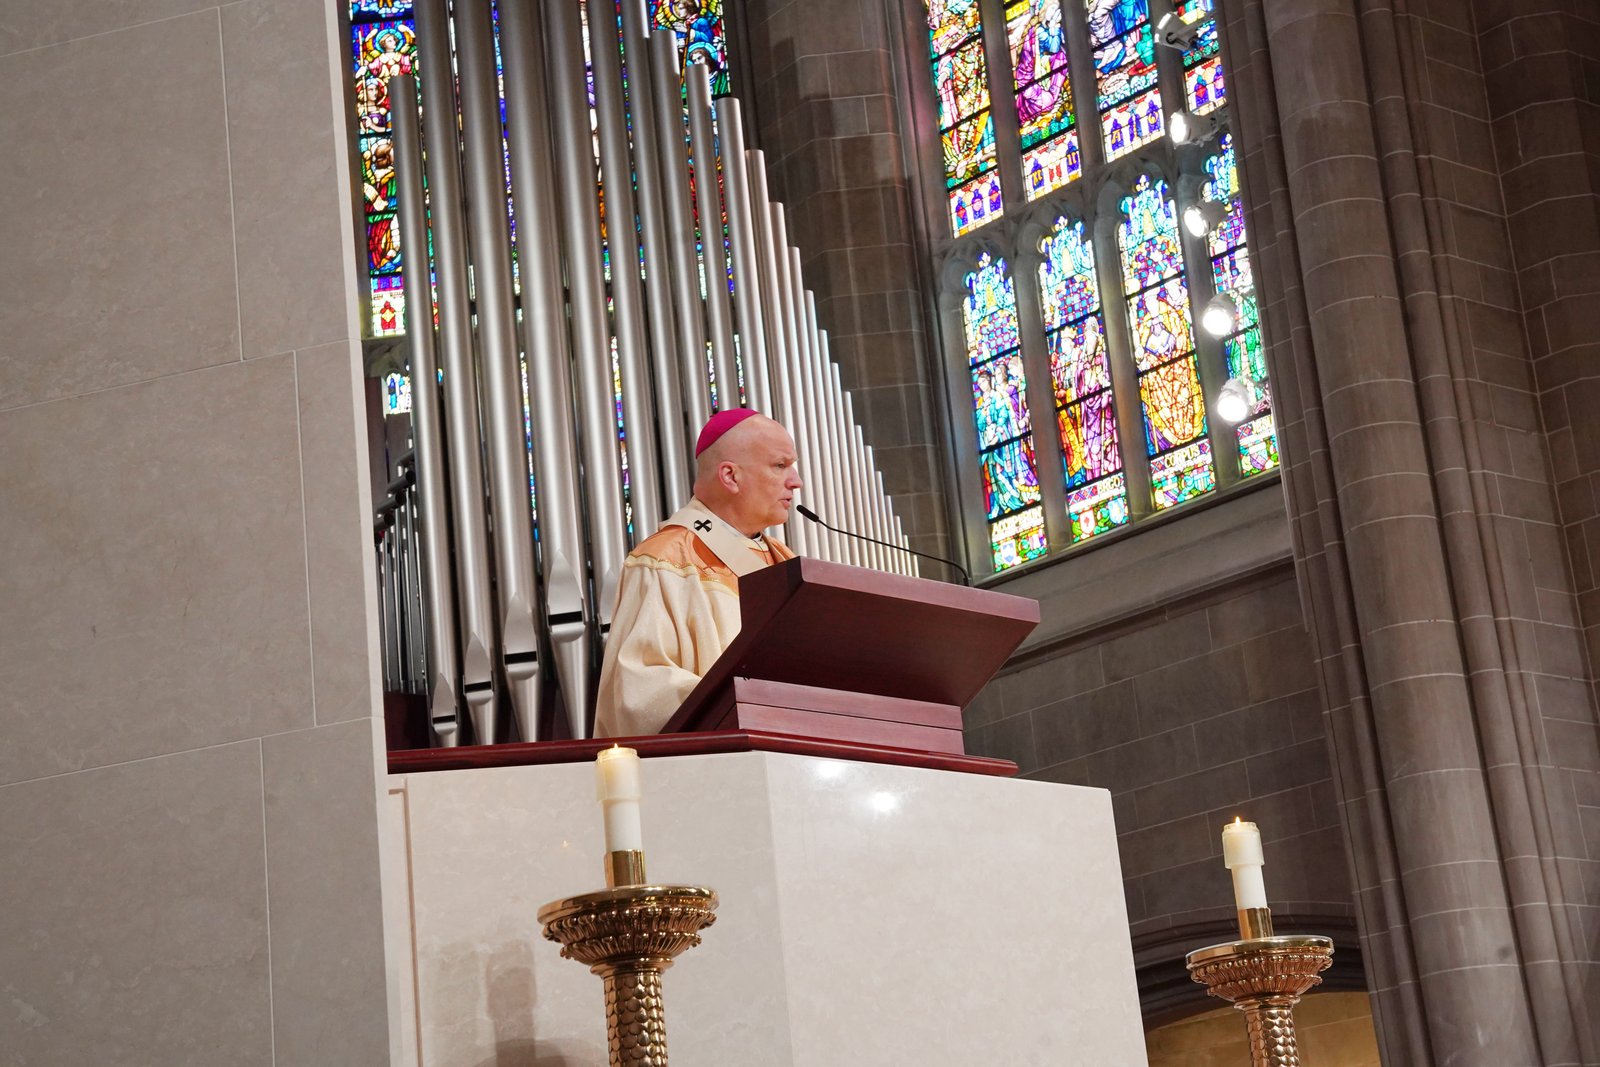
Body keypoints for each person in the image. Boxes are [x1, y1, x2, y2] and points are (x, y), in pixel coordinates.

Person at [593, 409, 803, 737]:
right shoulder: (665, 561)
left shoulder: (786, 563)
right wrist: (755, 704)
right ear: (730, 476)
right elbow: (638, 691)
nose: (796, 481)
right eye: (780, 465)